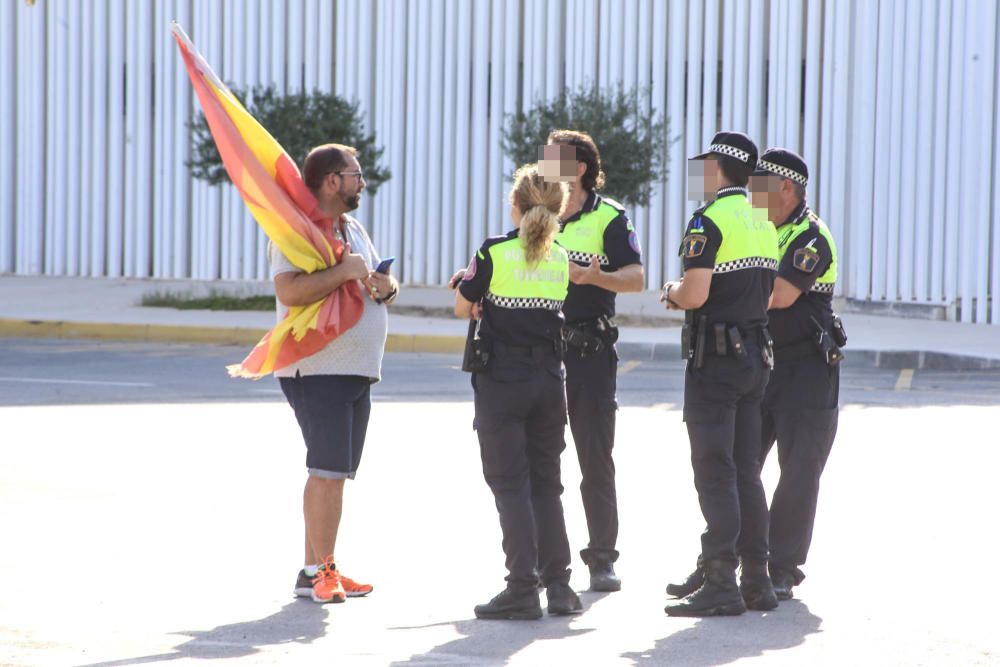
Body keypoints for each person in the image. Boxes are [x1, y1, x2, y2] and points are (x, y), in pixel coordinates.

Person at [450, 163, 582, 620]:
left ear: (518, 205)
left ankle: (522, 587)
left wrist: (477, 298)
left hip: (503, 382)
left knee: (510, 485)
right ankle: (561, 587)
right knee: (547, 483)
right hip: (549, 379)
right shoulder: (562, 257)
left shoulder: (493, 252)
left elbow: (463, 306)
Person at [272, 143, 399, 604]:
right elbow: (290, 290)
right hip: (318, 367)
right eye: (355, 175)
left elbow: (373, 280)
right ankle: (319, 570)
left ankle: (317, 571)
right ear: (331, 180)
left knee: (336, 473)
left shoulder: (353, 227)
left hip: (356, 370)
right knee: (324, 471)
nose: (361, 182)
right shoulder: (297, 232)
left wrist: (385, 288)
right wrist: (345, 271)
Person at [661, 132, 779, 617]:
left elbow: (694, 294)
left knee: (716, 471)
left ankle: (720, 581)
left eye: (702, 163)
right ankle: (758, 579)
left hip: (717, 362)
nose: (697, 172)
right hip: (756, 357)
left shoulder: (708, 220)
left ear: (716, 167)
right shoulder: (764, 221)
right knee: (746, 470)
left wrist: (670, 289)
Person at [540, 130, 644, 592]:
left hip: (590, 354)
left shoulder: (610, 218)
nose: (543, 165)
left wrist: (596, 277)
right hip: (540, 351)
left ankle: (602, 558)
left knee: (594, 458)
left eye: (552, 158)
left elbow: (637, 278)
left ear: (578, 168)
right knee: (540, 459)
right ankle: (545, 560)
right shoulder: (535, 212)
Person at [748, 148, 841, 600]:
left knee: (799, 470)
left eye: (759, 183)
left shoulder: (811, 236)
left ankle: (781, 567)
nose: (751, 190)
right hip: (761, 363)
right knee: (737, 462)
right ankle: (730, 558)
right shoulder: (758, 229)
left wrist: (719, 295)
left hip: (806, 368)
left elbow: (781, 295)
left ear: (786, 187)